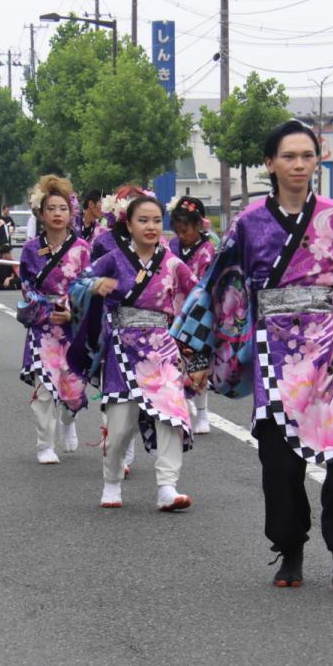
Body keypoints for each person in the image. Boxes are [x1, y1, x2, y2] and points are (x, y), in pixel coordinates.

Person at [171, 119, 333, 593]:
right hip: (275, 352)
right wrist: (198, 354)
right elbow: (217, 287)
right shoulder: (249, 223)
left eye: (307, 156)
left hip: (331, 350)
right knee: (280, 462)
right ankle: (289, 547)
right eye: (288, 156)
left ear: (318, 161)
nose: (298, 165)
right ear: (269, 163)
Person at [70, 194, 198, 511]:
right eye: (143, 220)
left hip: (162, 349)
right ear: (128, 224)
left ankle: (167, 486)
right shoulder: (113, 259)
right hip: (122, 349)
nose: (151, 226)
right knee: (119, 429)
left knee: (172, 416)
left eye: (156, 220)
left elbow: (198, 297)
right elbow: (76, 285)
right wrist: (94, 286)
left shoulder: (172, 263)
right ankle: (112, 481)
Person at [17, 175, 91, 465]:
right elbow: (26, 285)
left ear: (71, 213)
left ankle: (68, 420)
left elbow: (88, 287)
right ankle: (44, 445)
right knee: (46, 388)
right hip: (43, 327)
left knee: (74, 388)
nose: (57, 214)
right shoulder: (30, 249)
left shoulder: (82, 248)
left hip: (73, 326)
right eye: (51, 208)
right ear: (41, 213)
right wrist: (45, 311)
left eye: (62, 208)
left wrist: (74, 312)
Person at [168, 195, 216, 435]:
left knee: (198, 361)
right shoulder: (172, 246)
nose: (181, 235)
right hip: (173, 310)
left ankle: (203, 412)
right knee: (174, 361)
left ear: (198, 224)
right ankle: (182, 407)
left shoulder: (209, 250)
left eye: (185, 230)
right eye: (177, 231)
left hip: (198, 312)